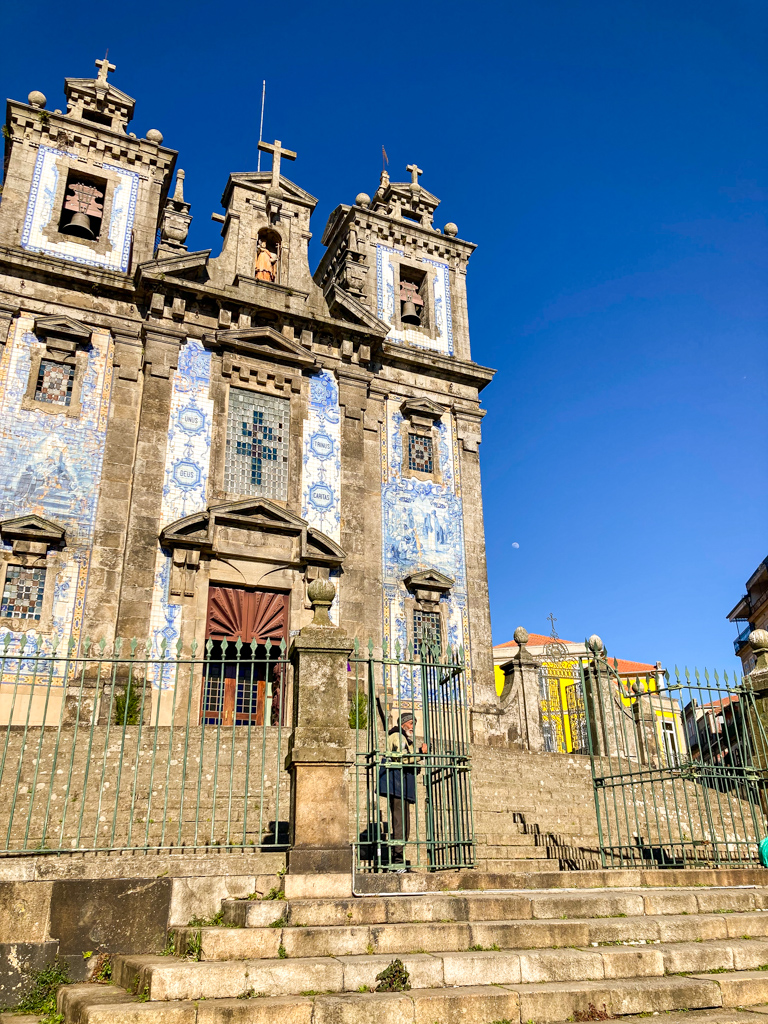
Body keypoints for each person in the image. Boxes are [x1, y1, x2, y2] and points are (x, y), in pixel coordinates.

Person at [378, 712, 428, 868]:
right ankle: (398, 862)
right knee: (400, 824)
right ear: (403, 724)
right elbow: (402, 757)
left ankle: (399, 859)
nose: (413, 726)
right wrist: (420, 754)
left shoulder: (404, 738)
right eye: (411, 723)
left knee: (404, 825)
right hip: (397, 784)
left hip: (402, 784)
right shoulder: (398, 736)